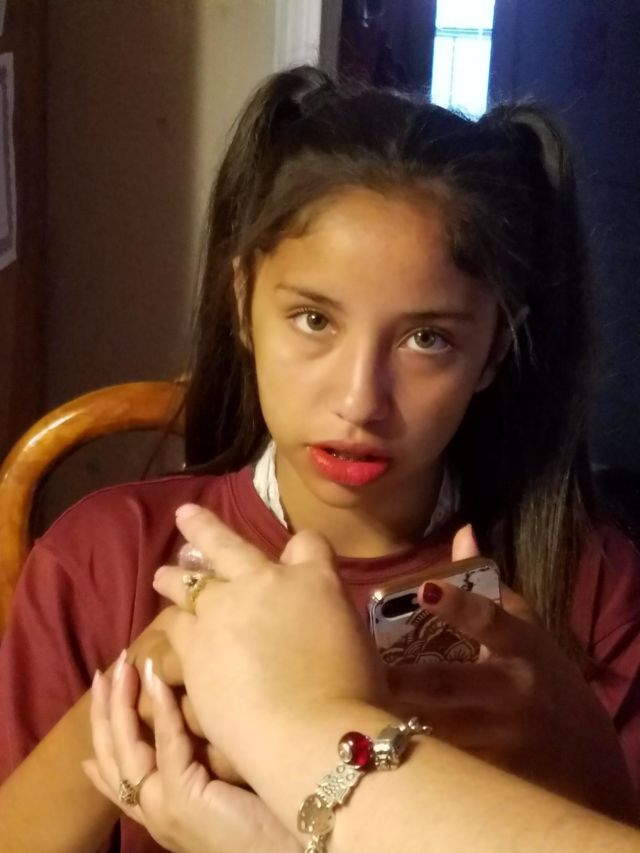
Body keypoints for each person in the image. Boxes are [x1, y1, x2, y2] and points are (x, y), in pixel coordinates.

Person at [0, 65, 639, 852]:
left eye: (428, 338)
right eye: (313, 319)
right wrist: (145, 674)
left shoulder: (587, 587)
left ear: (495, 350)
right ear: (243, 302)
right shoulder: (107, 557)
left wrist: (573, 746)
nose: (359, 400)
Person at [84, 505, 640, 853]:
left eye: (429, 350)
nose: (358, 402)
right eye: (314, 332)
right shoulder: (112, 544)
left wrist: (300, 728)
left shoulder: (600, 575)